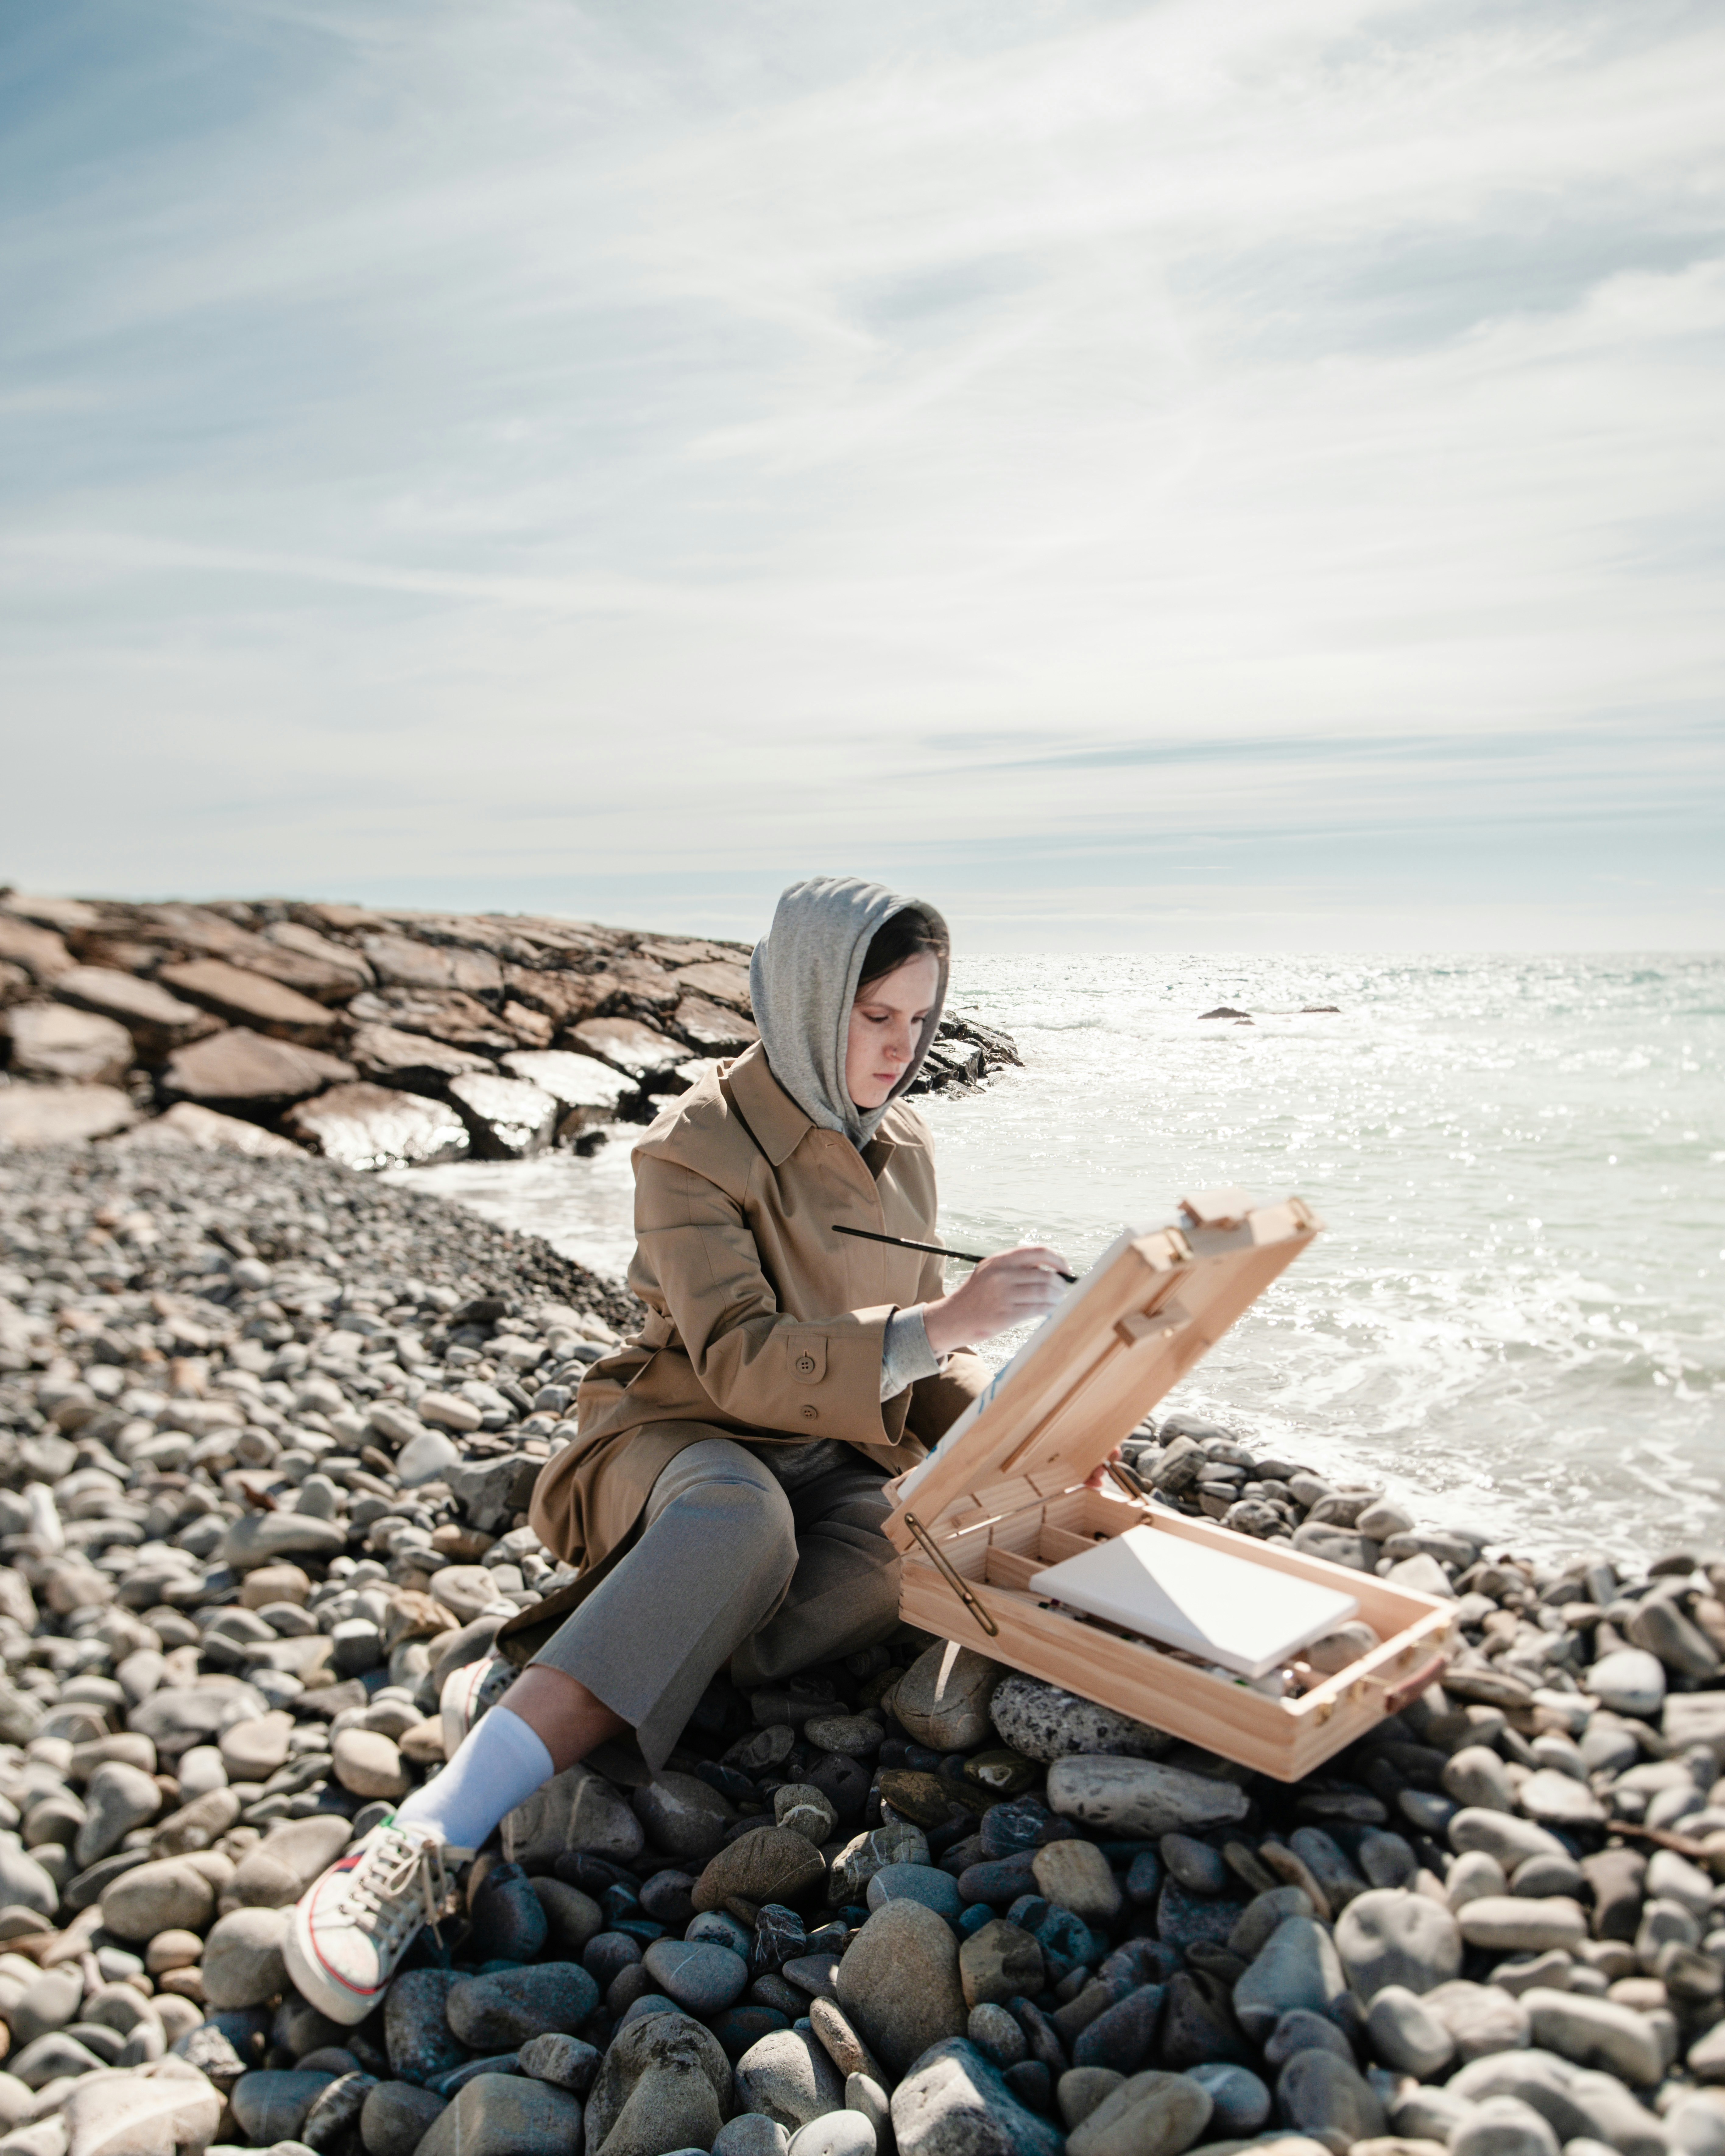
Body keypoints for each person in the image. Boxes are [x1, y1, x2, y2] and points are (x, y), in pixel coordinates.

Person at [284, 875, 1070, 2023]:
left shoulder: (904, 1144)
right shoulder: (690, 1148)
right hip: (680, 1435)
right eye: (874, 1016)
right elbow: (746, 1361)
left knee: (925, 1546)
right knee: (739, 1523)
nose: (901, 1049)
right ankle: (430, 1830)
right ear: (808, 999)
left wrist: (1027, 1434)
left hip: (835, 1455)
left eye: (920, 1018)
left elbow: (927, 1355)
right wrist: (947, 1325)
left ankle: (603, 1660)